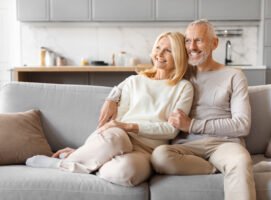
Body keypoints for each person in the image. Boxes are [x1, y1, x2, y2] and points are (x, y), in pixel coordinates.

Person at [98, 19, 256, 200]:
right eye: (188, 41)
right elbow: (143, 78)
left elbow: (242, 125)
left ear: (214, 43)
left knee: (240, 161)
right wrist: (112, 96)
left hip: (224, 143)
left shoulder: (234, 76)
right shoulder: (180, 73)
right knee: (160, 157)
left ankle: (225, 165)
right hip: (186, 147)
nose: (192, 47)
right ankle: (214, 168)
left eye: (199, 40)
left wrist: (193, 125)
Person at [25, 31, 194, 187]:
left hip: (147, 150)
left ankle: (82, 160)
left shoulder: (184, 87)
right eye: (158, 47)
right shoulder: (134, 81)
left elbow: (171, 130)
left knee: (126, 173)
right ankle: (63, 162)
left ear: (178, 56)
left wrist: (131, 126)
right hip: (119, 137)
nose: (160, 54)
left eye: (168, 50)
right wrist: (117, 113)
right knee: (117, 139)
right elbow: (116, 122)